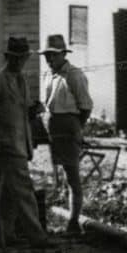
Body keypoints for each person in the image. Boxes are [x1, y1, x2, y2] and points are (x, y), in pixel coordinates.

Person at [0, 35, 50, 249]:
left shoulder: (22, 80)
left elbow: (19, 112)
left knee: (9, 195)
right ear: (7, 57)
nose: (19, 61)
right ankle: (37, 237)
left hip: (21, 143)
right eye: (15, 57)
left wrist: (33, 110)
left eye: (22, 57)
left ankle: (4, 234)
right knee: (24, 190)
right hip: (7, 144)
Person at [40, 34, 93, 235]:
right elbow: (48, 103)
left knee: (72, 176)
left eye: (53, 56)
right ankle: (64, 215)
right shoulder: (49, 75)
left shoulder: (74, 75)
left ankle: (73, 222)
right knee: (58, 173)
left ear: (63, 54)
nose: (49, 60)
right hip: (53, 126)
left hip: (69, 125)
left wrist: (76, 128)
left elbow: (86, 106)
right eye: (46, 56)